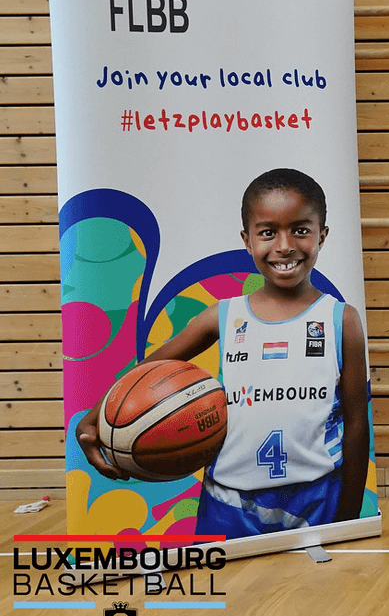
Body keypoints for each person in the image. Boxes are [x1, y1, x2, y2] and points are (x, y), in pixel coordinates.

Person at [76, 168, 370, 537]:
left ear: (321, 235)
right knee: (229, 577)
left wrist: (348, 518)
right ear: (247, 240)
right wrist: (93, 418)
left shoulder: (341, 320)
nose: (284, 246)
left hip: (317, 498)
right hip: (228, 503)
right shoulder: (224, 315)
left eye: (300, 230)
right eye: (268, 233)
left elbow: (357, 425)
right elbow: (145, 375)